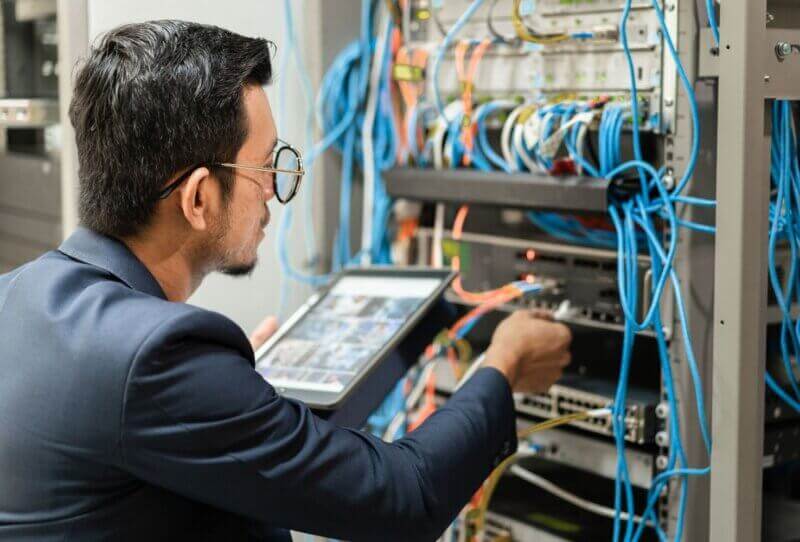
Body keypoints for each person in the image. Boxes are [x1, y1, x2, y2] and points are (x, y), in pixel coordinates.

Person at [0, 20, 571, 541]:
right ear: (199, 197)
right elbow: (404, 497)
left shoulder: (18, 293)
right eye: (265, 167)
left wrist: (236, 395)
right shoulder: (157, 358)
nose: (273, 189)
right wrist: (504, 366)